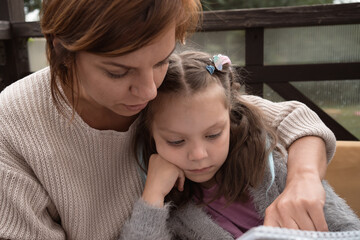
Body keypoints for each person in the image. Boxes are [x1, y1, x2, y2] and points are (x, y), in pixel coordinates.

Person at [0, 0, 337, 239]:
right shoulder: (14, 127)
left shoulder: (168, 87)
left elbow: (295, 119)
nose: (148, 92)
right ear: (61, 51)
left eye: (161, 60)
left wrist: (304, 180)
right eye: (118, 72)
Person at [121, 51, 360, 239]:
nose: (198, 155)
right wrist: (152, 198)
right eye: (176, 141)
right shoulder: (168, 206)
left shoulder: (273, 165)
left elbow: (348, 230)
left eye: (213, 135)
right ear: (150, 134)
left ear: (231, 119)